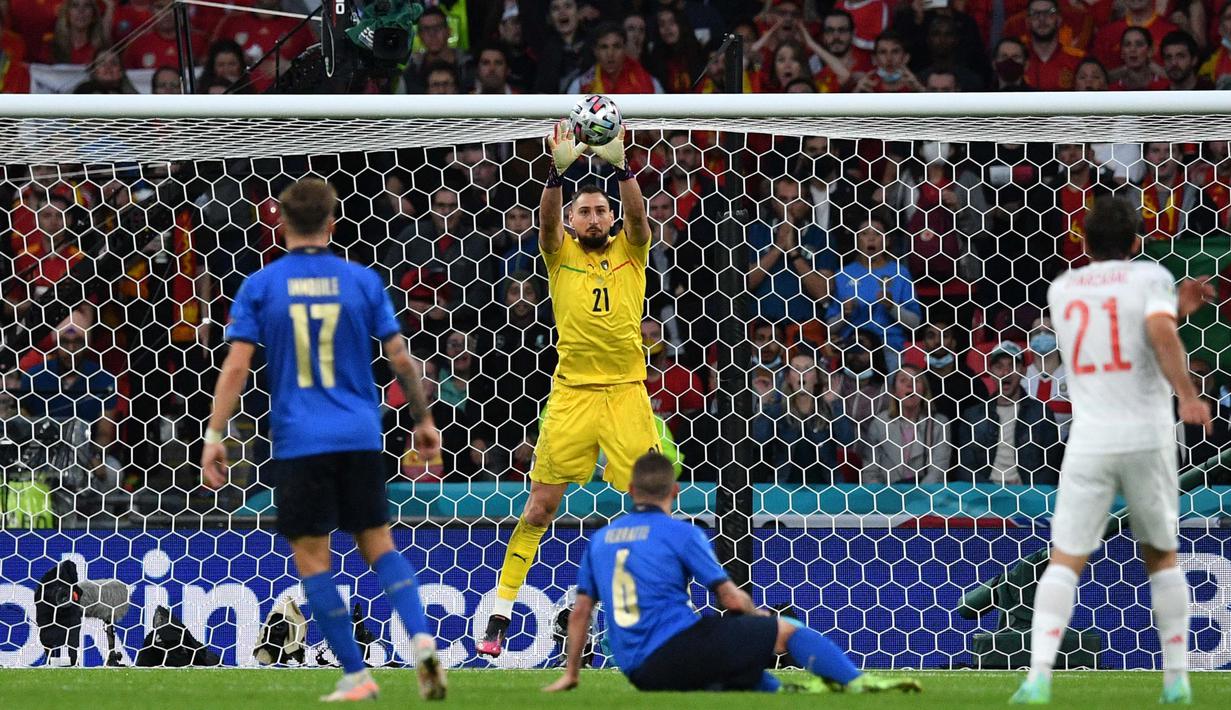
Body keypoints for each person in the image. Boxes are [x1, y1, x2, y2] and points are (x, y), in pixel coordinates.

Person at [199, 178, 446, 702]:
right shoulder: (361, 281)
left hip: (299, 441)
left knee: (314, 560)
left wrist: (215, 434)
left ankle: (357, 676)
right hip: (360, 435)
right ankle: (420, 635)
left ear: (281, 223)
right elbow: (401, 357)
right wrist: (423, 420)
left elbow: (237, 365)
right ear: (333, 223)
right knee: (378, 542)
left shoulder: (262, 285)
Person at [1011, 195, 1212, 704]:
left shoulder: (1062, 288)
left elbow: (1112, 334)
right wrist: (1188, 394)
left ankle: (1037, 678)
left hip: (1090, 437)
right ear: (1138, 241)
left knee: (1065, 558)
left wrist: (1172, 312)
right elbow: (1155, 332)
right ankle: (1176, 680)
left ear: (1082, 241)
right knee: (1161, 556)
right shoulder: (1150, 278)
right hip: (1146, 435)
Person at [478, 119, 658, 658]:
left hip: (627, 392)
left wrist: (623, 165)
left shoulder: (633, 248)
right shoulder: (560, 254)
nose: (596, 216)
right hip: (573, 395)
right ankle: (501, 614)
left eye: (602, 209)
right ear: (575, 222)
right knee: (539, 508)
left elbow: (641, 219)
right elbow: (547, 226)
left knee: (652, 506)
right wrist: (557, 177)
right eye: (586, 211)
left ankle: (654, 611)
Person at [543, 451, 921, 695]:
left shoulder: (602, 539)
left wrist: (572, 673)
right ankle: (857, 683)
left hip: (639, 671)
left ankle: (780, 693)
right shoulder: (682, 532)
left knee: (728, 660)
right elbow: (727, 596)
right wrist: (762, 623)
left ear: (629, 490)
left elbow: (580, 614)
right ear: (675, 489)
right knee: (786, 627)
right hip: (674, 650)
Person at [859, 365, 951, 485]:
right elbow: (870, 472)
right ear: (894, 391)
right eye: (903, 380)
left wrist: (918, 498)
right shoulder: (879, 424)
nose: (910, 385)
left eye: (916, 380)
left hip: (926, 496)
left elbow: (938, 472)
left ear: (924, 390)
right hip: (887, 496)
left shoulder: (939, 424)